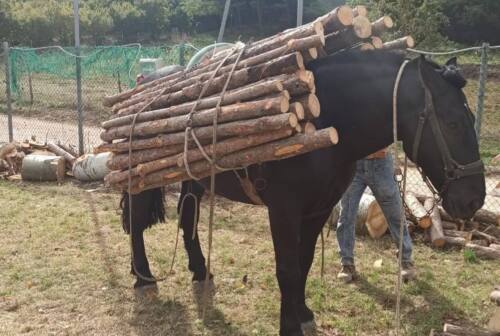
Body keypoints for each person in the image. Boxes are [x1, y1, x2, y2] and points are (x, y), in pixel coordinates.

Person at [335, 148, 416, 283]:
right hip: (353, 163)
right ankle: (347, 264)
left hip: (381, 164)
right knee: (346, 215)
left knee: (395, 214)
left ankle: (406, 260)